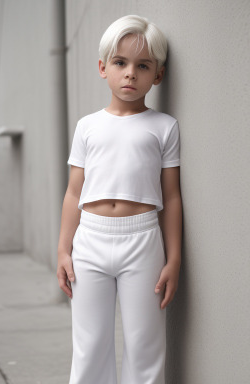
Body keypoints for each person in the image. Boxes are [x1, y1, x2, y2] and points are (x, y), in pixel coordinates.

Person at [57, 14, 182, 384]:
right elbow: (74, 192)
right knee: (90, 345)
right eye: (120, 63)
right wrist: (64, 250)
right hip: (90, 241)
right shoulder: (87, 126)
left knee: (145, 345)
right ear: (103, 68)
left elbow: (171, 199)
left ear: (157, 75)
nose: (130, 74)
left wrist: (174, 259)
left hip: (143, 241)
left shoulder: (164, 127)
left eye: (143, 66)